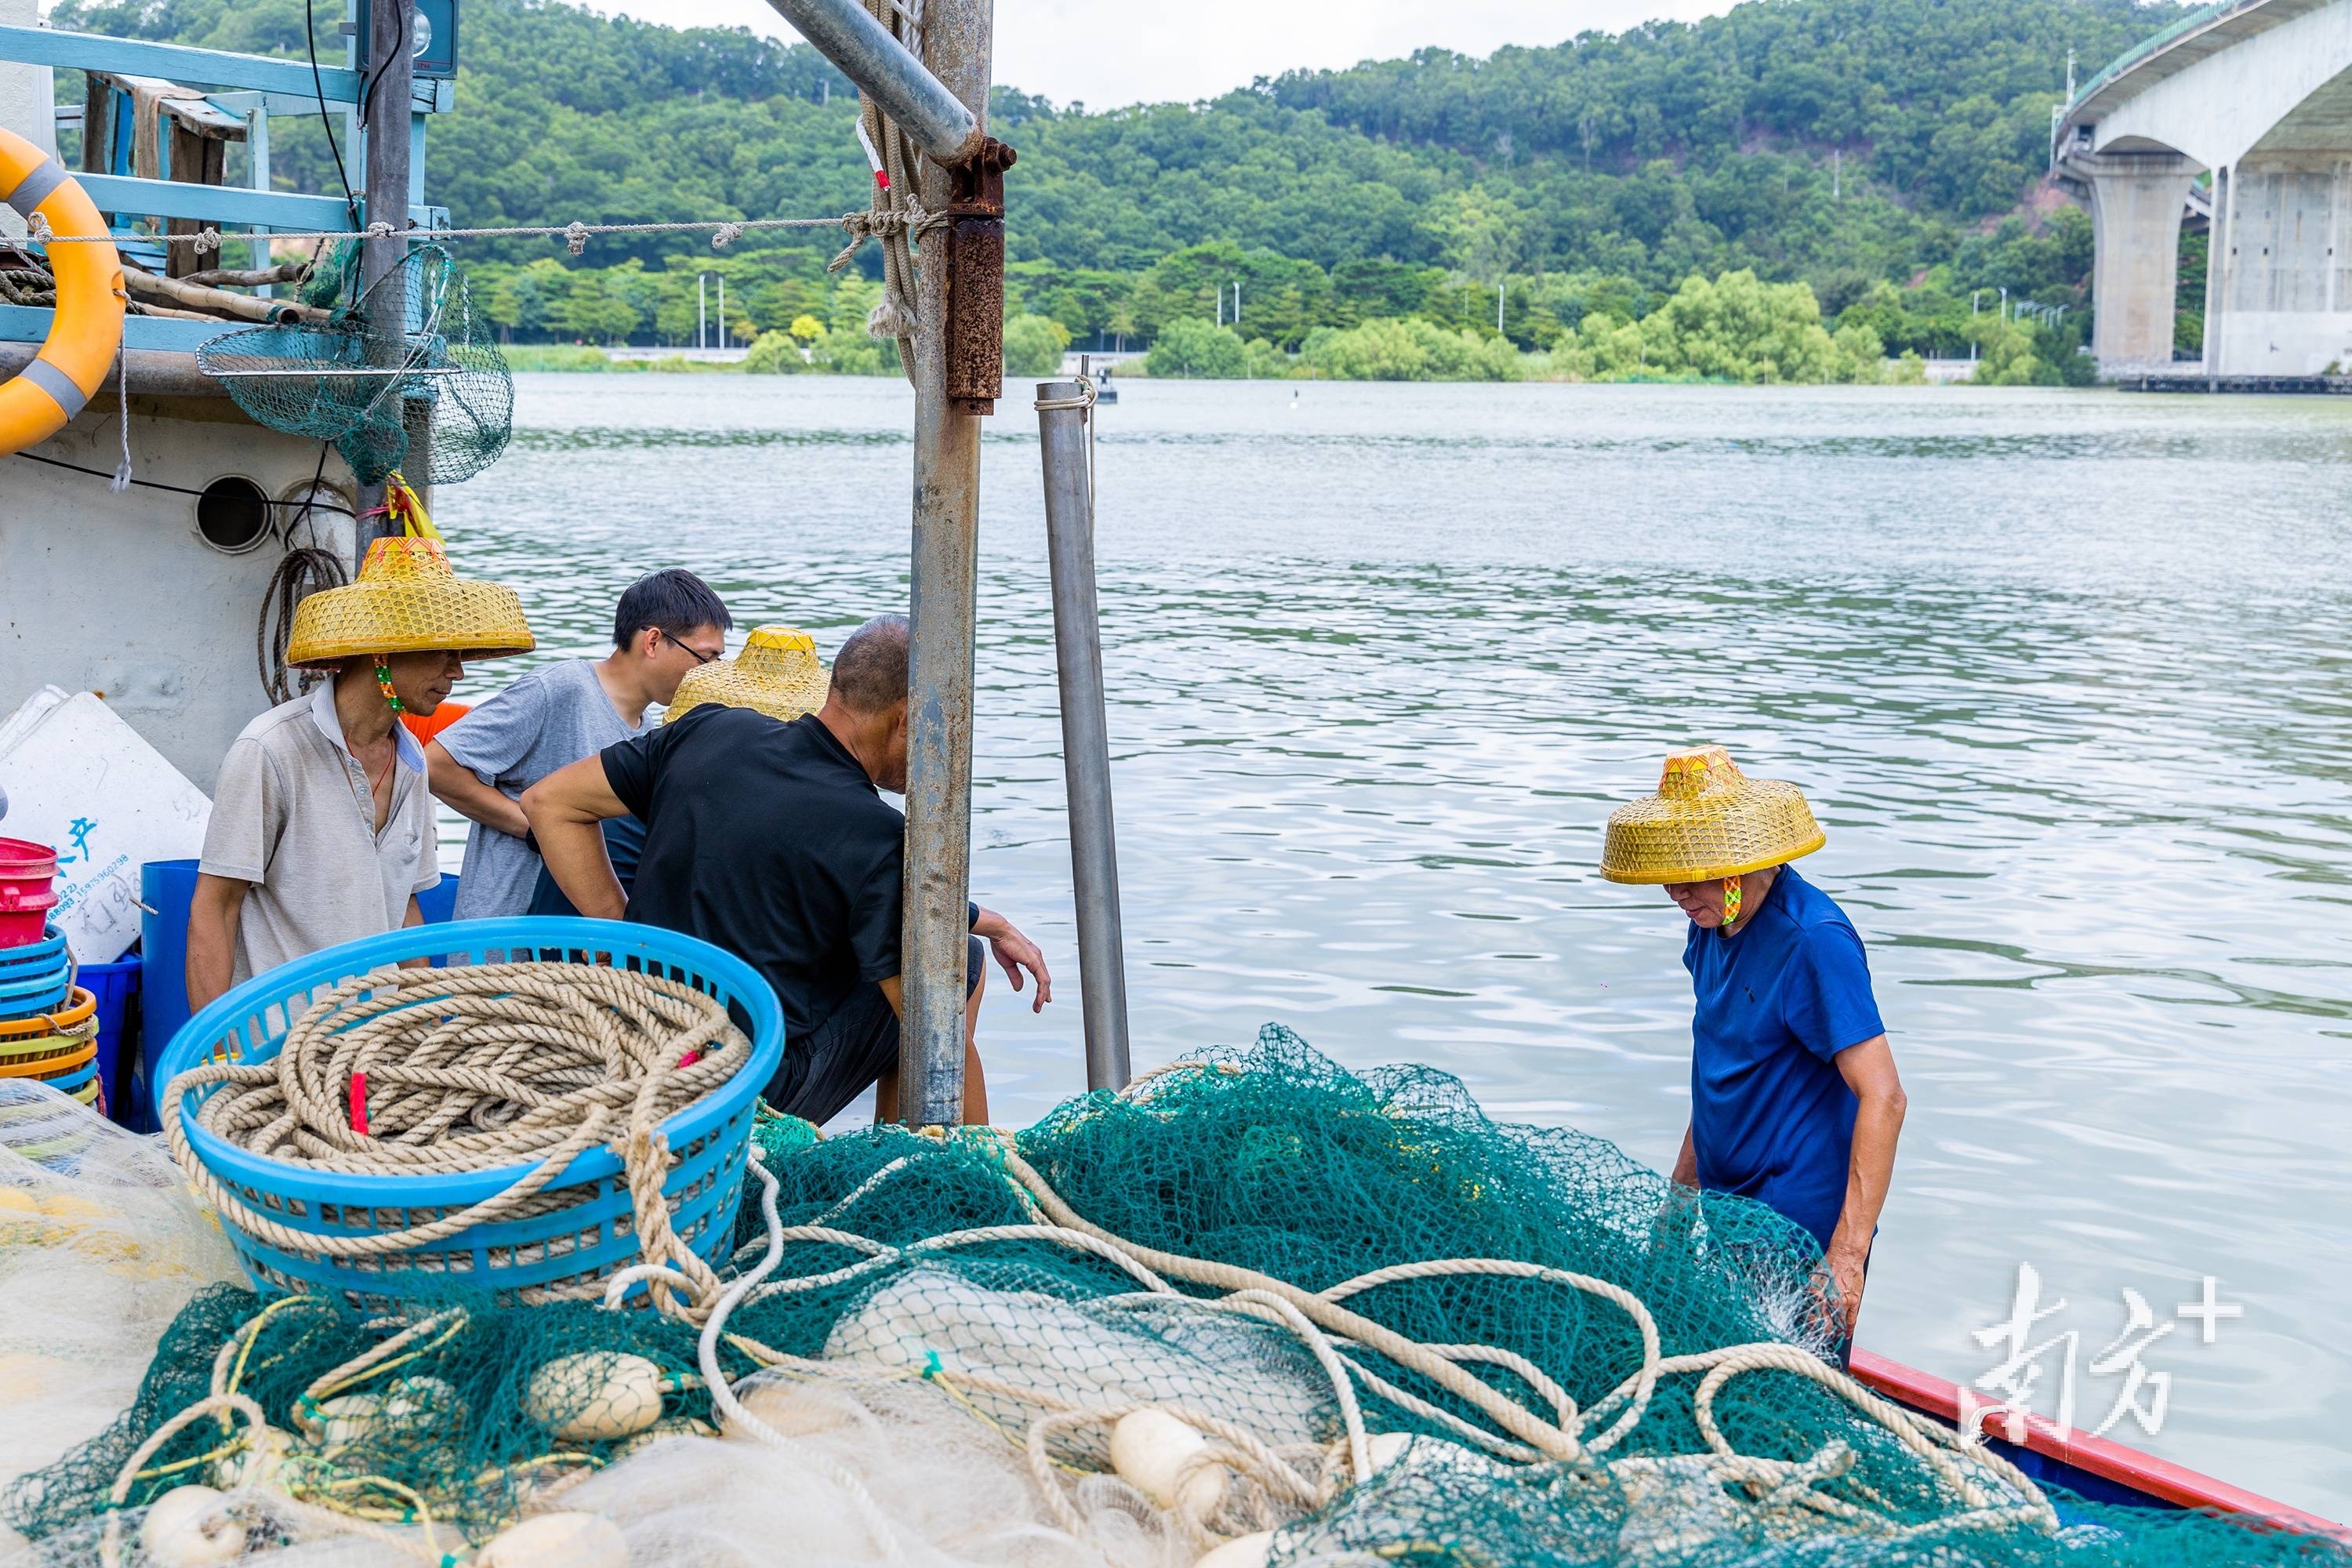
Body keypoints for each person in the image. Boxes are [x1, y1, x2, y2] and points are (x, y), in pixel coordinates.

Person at [521, 615, 1051, 1127]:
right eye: (946, 736)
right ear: (909, 720)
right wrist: (988, 1160)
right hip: (752, 1089)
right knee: (959, 968)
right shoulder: (873, 834)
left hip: (643, 1041)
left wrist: (626, 932)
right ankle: (917, 1165)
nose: (947, 757)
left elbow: (549, 802)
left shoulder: (709, 730)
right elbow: (934, 1036)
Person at [1601, 745, 1907, 1347]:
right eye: (1670, 876)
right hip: (1728, 1208)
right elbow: (1723, 1071)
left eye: (1694, 876)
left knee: (1782, 1386)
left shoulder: (1813, 941)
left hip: (1798, 1226)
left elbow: (1886, 1097)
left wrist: (1845, 1257)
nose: (1677, 894)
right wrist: (1679, 1199)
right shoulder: (1709, 927)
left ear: (1741, 863)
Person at [187, 537, 534, 1011]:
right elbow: (216, 907)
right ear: (381, 652)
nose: (457, 672)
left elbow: (405, 908)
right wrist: (216, 1050)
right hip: (279, 1040)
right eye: (442, 650)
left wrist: (429, 1019)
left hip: (375, 1036)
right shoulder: (271, 749)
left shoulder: (412, 760)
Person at [427, 569, 731, 921]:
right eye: (705, 658)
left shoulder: (647, 733)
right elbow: (437, 765)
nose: (711, 673)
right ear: (652, 642)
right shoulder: (561, 687)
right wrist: (538, 830)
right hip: (508, 929)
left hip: (580, 938)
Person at [522, 622, 822, 916]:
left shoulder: (623, 783)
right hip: (595, 954)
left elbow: (546, 803)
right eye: (705, 657)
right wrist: (617, 932)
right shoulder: (703, 819)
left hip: (551, 941)